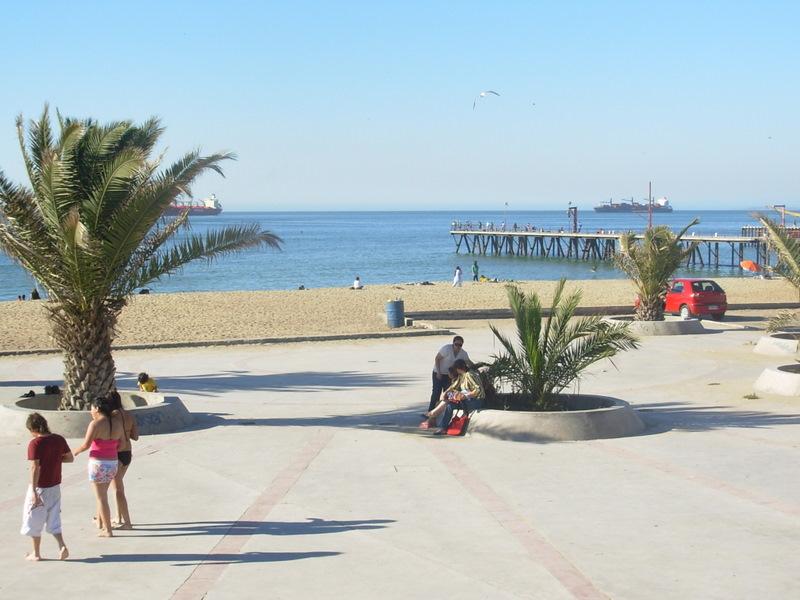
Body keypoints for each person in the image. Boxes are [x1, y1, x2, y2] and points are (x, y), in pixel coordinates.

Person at [21, 413, 73, 561]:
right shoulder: (58, 439)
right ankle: (62, 545)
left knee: (34, 519)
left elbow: (35, 467)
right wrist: (55, 459)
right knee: (54, 517)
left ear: (32, 429)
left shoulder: (35, 444)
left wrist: (33, 491)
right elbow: (70, 458)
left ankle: (36, 553)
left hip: (40, 487)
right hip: (55, 486)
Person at [73, 397, 124, 537]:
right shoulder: (117, 423)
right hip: (113, 463)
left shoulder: (95, 424)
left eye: (91, 408)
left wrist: (75, 452)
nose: (91, 411)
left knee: (101, 498)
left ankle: (108, 530)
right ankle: (101, 524)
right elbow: (121, 444)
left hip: (98, 463)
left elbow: (86, 445)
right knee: (103, 496)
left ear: (97, 408)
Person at [108, 390, 138, 529]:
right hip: (128, 453)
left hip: (117, 453)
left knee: (117, 489)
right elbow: (136, 436)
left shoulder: (112, 416)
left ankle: (123, 520)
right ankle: (118, 516)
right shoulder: (129, 414)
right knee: (117, 487)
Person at [434, 359, 485, 435]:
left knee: (453, 401)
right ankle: (443, 428)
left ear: (458, 369)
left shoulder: (470, 375)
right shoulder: (462, 376)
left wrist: (465, 396)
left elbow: (478, 390)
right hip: (466, 400)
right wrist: (446, 393)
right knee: (450, 406)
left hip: (476, 401)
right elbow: (454, 386)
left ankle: (435, 413)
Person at [429, 336, 471, 411]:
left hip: (450, 376)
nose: (458, 346)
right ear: (453, 343)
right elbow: (437, 359)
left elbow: (469, 362)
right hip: (438, 372)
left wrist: (477, 368)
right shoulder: (446, 349)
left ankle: (443, 411)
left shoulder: (463, 353)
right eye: (456, 344)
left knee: (448, 394)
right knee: (436, 392)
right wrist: (438, 372)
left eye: (460, 345)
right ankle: (431, 411)